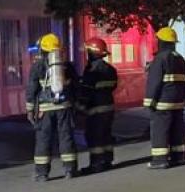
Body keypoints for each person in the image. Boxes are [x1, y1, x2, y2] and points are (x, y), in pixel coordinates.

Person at [25, 33, 79, 181]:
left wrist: (30, 109)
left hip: (45, 110)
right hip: (64, 107)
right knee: (66, 137)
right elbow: (75, 86)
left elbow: (32, 89)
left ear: (42, 49)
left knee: (43, 140)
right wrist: (75, 104)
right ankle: (70, 170)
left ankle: (42, 173)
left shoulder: (37, 66)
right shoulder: (67, 66)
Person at [143, 27, 185, 169]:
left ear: (162, 42)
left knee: (160, 130)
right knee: (177, 129)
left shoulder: (160, 59)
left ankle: (160, 159)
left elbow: (154, 82)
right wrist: (184, 98)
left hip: (162, 103)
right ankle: (179, 156)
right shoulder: (180, 58)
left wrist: (149, 101)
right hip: (177, 102)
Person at [78, 37, 118, 173]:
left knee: (94, 136)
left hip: (95, 109)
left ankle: (96, 164)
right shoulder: (111, 69)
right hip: (109, 108)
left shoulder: (91, 71)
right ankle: (107, 160)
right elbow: (113, 87)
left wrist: (80, 109)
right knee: (106, 134)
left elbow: (86, 92)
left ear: (93, 53)